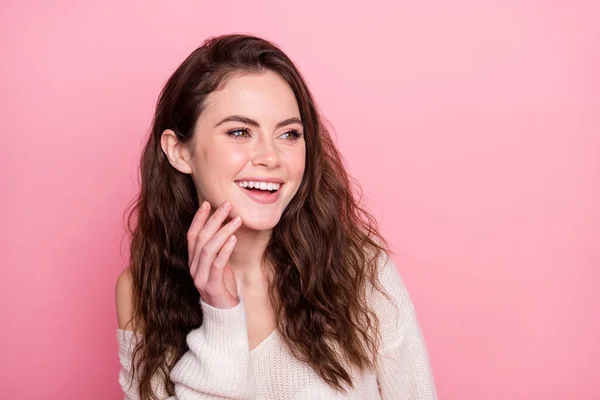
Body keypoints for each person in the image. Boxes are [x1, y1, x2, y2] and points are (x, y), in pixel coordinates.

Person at [115, 33, 437, 399]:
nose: (271, 157)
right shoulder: (143, 289)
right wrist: (220, 316)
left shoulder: (359, 268)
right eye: (239, 132)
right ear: (179, 152)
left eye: (289, 133)